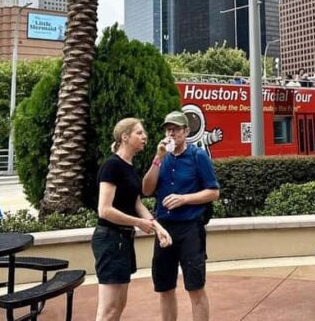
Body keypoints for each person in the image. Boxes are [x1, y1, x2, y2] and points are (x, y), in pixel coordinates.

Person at [92, 118, 173, 321]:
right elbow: (104, 210)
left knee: (119, 306)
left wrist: (157, 227)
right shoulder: (112, 166)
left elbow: (137, 204)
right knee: (108, 310)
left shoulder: (128, 167)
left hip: (123, 241)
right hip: (110, 240)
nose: (145, 136)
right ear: (124, 137)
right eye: (139, 133)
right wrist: (138, 223)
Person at [143, 111, 220, 321]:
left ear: (186, 131)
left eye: (175, 129)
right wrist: (158, 158)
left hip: (190, 228)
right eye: (168, 129)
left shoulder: (198, 156)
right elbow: (147, 190)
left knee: (195, 287)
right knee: (164, 287)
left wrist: (184, 199)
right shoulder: (162, 157)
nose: (171, 133)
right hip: (164, 228)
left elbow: (213, 192)